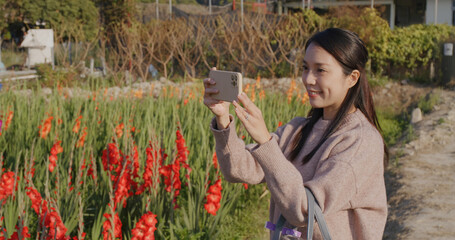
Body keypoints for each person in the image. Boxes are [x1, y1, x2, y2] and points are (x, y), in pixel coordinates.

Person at [203, 28, 388, 239]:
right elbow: (237, 169)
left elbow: (305, 210)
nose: (308, 79)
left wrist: (265, 141)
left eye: (321, 70)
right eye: (305, 68)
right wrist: (223, 119)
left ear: (352, 78)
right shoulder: (298, 129)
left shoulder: (360, 141)